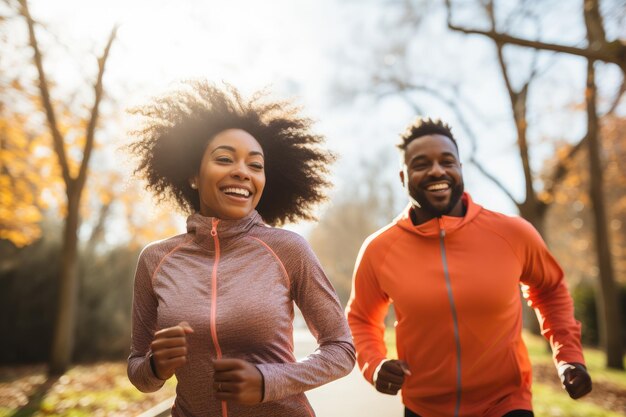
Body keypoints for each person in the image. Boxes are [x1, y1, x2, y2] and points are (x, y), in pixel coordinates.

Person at [127, 81, 355, 417]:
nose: (242, 172)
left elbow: (342, 351)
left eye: (255, 165)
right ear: (193, 174)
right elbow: (138, 373)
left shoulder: (288, 249)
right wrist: (156, 366)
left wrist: (269, 381)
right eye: (224, 159)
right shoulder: (157, 260)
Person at [346, 117, 592, 417]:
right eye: (422, 163)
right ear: (403, 176)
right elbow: (360, 318)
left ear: (460, 169)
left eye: (447, 161)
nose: (437, 170)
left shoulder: (512, 233)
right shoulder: (379, 249)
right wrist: (374, 364)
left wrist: (568, 356)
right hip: (424, 408)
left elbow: (550, 289)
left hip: (506, 404)